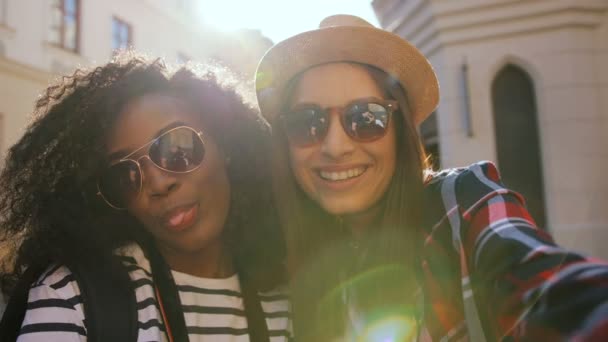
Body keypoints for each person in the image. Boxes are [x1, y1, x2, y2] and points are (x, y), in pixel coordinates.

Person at [255, 15, 608, 341]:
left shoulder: (460, 202)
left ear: (400, 132)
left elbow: (543, 283)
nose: (335, 146)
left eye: (366, 118)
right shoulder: (289, 264)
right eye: (307, 123)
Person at [0, 54, 290, 341]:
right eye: (125, 175)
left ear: (225, 144)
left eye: (178, 149)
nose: (159, 183)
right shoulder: (70, 297)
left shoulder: (287, 301)